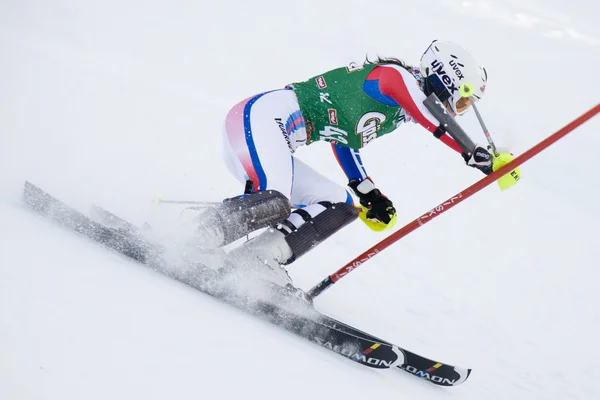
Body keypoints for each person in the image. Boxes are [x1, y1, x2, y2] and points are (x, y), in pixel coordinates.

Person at [192, 40, 493, 287]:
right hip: (260, 119)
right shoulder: (396, 77)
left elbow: (344, 140)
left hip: (271, 140)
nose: (459, 111)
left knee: (340, 203)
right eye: (463, 102)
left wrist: (369, 192)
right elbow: (432, 118)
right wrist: (471, 151)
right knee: (275, 201)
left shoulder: (397, 108)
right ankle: (195, 236)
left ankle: (257, 259)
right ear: (446, 81)